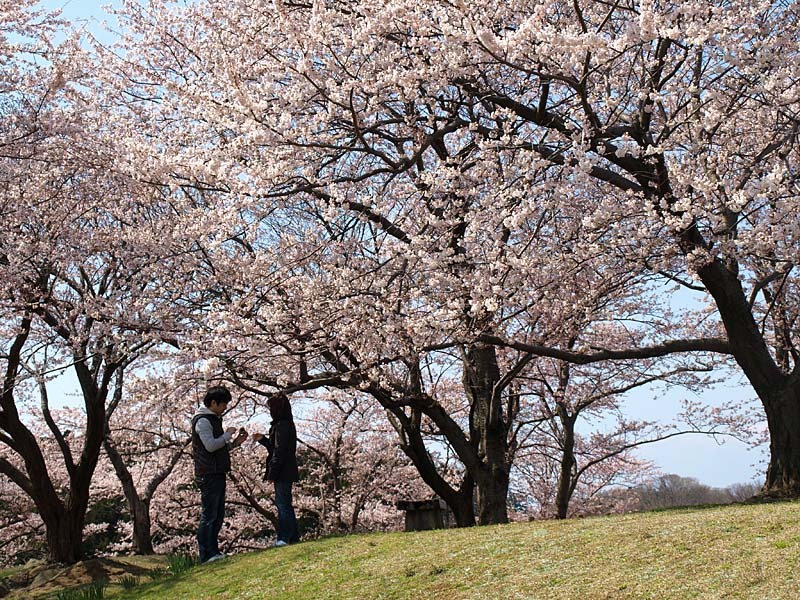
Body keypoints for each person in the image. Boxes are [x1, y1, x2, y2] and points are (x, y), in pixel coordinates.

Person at [191, 385, 247, 563]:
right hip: (209, 473)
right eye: (223, 404)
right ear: (213, 403)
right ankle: (206, 554)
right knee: (209, 514)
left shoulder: (213, 418)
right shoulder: (203, 421)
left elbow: (218, 449)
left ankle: (213, 551)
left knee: (218, 513)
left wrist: (236, 442)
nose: (225, 408)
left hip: (217, 471)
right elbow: (210, 445)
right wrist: (227, 435)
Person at [252, 392, 299, 546]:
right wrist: (263, 440)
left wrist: (272, 473)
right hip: (287, 468)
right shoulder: (286, 425)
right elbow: (276, 448)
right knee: (285, 503)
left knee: (283, 504)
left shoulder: (281, 426)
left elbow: (278, 451)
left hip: (283, 470)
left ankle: (285, 537)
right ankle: (292, 536)